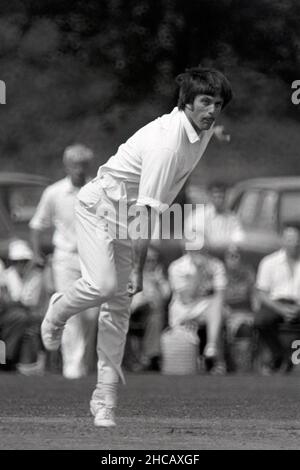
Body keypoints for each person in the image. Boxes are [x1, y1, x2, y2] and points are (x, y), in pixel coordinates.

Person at [41, 66, 232, 427]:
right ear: (186, 104)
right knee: (104, 286)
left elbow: (141, 215)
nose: (211, 111)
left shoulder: (201, 127)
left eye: (218, 104)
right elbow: (146, 216)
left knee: (118, 309)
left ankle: (105, 400)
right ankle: (60, 309)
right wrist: (141, 271)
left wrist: (218, 132)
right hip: (101, 208)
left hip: (127, 217)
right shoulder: (167, 147)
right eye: (205, 102)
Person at [30, 144, 98, 379]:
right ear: (66, 166)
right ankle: (72, 366)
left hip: (93, 258)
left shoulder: (98, 189)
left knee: (92, 314)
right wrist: (37, 254)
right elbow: (37, 225)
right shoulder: (54, 192)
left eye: (83, 165)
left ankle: (84, 364)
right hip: (65, 258)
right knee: (71, 312)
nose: (79, 169)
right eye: (75, 165)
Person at [167, 234, 227, 374]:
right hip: (182, 310)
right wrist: (199, 273)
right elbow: (186, 298)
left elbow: (220, 295)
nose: (200, 254)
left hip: (207, 308)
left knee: (217, 308)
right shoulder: (177, 267)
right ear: (188, 251)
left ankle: (211, 348)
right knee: (216, 312)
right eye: (196, 250)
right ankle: (216, 360)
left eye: (202, 250)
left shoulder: (216, 265)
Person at [255, 224, 300, 372]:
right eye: (290, 239)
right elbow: (262, 293)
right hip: (276, 304)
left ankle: (291, 360)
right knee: (261, 320)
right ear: (283, 240)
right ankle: (280, 355)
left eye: (296, 239)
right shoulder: (269, 262)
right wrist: (281, 309)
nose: (293, 242)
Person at [0, 240, 46, 375]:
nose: (21, 264)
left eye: (24, 261)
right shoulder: (8, 275)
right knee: (21, 318)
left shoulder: (35, 277)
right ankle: (9, 360)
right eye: (18, 261)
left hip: (21, 314)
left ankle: (23, 362)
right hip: (12, 314)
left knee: (27, 321)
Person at [124, 245, 170, 372]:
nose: (151, 263)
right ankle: (149, 356)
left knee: (156, 315)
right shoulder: (131, 274)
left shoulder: (159, 277)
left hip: (152, 314)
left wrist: (159, 282)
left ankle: (149, 357)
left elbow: (166, 295)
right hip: (132, 312)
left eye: (154, 260)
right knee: (153, 313)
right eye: (148, 260)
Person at [223, 245, 256, 371]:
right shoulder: (221, 274)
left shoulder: (248, 273)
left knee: (245, 327)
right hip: (227, 314)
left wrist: (254, 314)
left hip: (246, 314)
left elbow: (255, 298)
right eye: (230, 256)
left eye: (236, 256)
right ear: (225, 259)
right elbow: (217, 298)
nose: (233, 259)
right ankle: (227, 364)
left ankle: (243, 366)